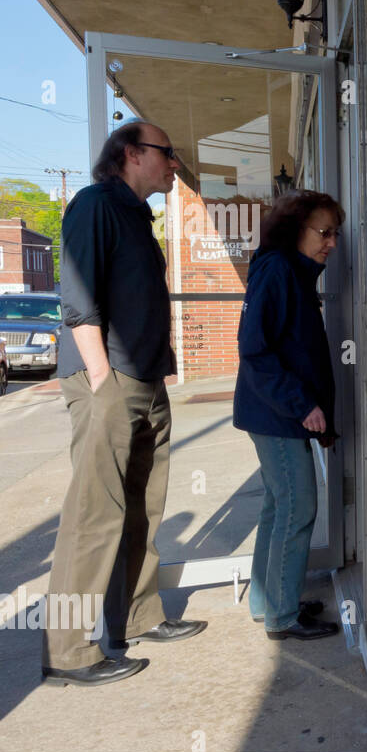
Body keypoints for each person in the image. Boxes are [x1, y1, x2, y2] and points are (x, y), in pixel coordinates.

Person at [42, 121, 206, 688]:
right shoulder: (94, 205)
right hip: (107, 381)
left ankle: (135, 616)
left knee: (142, 509)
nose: (175, 163)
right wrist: (101, 379)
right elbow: (78, 299)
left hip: (146, 380)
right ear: (131, 155)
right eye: (167, 152)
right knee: (92, 516)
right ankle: (66, 649)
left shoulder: (137, 215)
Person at [233, 190, 344, 641]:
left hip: (276, 412)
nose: (331, 243)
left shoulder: (288, 272)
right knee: (299, 507)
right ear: (294, 229)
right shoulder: (278, 271)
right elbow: (255, 351)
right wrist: (304, 405)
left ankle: (268, 600)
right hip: (276, 414)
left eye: (334, 234)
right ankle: (283, 615)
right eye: (325, 233)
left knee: (278, 506)